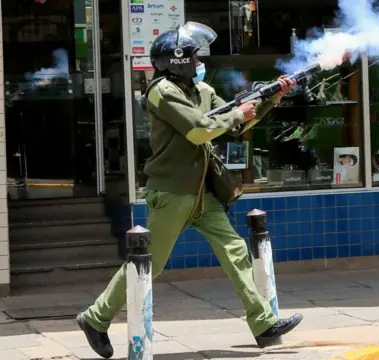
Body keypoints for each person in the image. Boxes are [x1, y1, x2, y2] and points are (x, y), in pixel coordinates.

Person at [75, 22, 303, 359]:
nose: (200, 62)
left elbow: (235, 124)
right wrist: (237, 113)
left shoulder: (201, 92)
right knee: (150, 265)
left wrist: (270, 98)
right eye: (194, 56)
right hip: (172, 193)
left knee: (236, 251)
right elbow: (199, 131)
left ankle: (264, 324)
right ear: (178, 60)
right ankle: (95, 318)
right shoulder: (163, 92)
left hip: (202, 192)